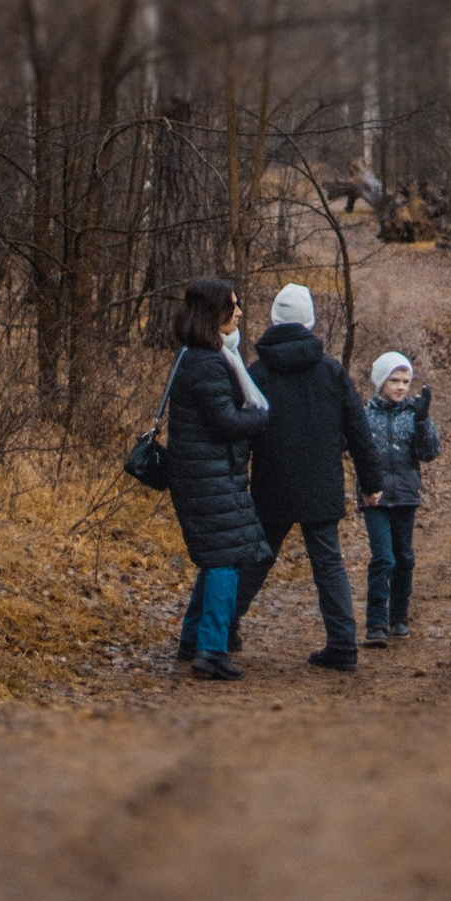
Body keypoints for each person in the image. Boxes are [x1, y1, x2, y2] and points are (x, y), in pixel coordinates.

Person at [244, 281, 382, 668]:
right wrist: (372, 483)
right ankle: (343, 646)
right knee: (328, 562)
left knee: (257, 558)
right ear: (310, 322)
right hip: (321, 484)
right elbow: (359, 430)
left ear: (273, 320)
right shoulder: (331, 372)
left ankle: (223, 630)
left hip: (271, 482)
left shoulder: (257, 373)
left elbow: (243, 432)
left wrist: (235, 479)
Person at [163, 278, 271, 683]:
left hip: (204, 473)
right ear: (213, 313)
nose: (240, 312)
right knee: (227, 559)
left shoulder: (200, 355)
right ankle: (211, 650)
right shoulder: (207, 362)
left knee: (216, 557)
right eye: (232, 306)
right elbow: (226, 421)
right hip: (204, 476)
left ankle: (194, 642)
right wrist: (261, 416)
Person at [359, 349, 439, 645]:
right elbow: (349, 447)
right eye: (394, 380)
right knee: (383, 558)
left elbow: (429, 452)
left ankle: (399, 616)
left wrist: (422, 421)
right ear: (381, 381)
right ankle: (376, 622)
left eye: (406, 381)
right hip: (374, 498)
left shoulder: (413, 414)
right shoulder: (365, 416)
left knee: (404, 558)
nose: (401, 386)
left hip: (405, 496)